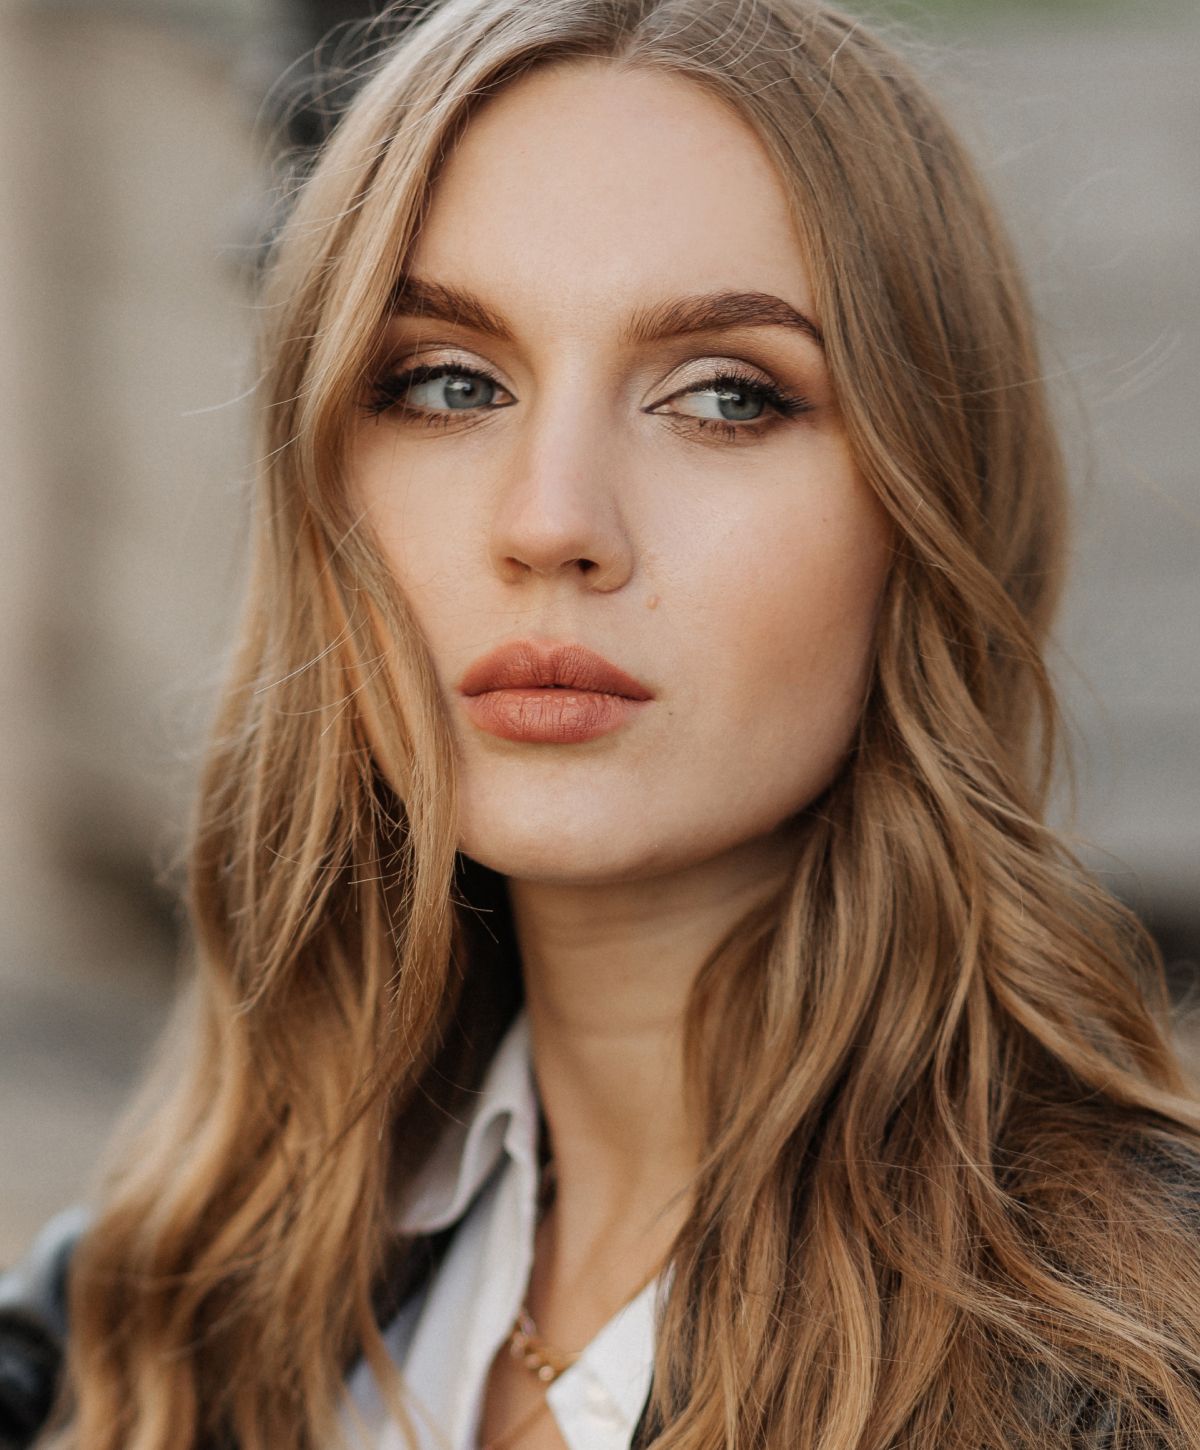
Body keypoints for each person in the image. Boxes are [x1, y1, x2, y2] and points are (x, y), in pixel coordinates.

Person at [5, 0, 1200, 1446]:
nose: (553, 520)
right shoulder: (148, 1312)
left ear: (926, 513)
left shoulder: (1130, 1363)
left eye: (725, 397)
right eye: (448, 382)